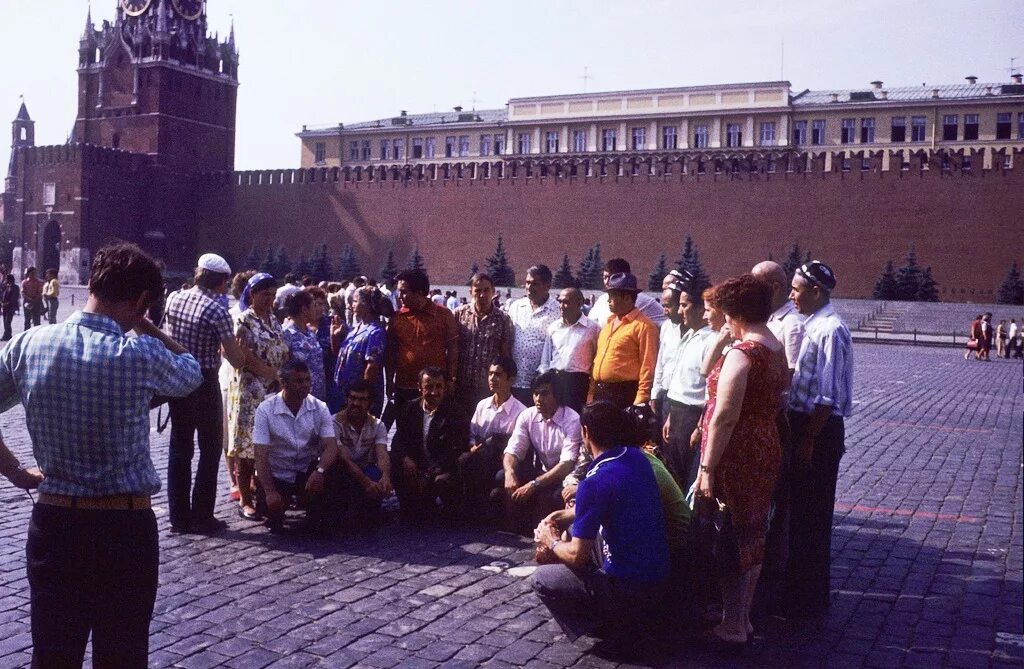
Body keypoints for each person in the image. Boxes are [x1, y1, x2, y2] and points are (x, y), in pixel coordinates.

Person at [0, 242, 202, 667]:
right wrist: (149, 327)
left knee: (53, 656)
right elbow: (192, 372)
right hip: (124, 527)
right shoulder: (139, 354)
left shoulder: (28, 344)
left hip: (55, 523)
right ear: (143, 302)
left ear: (91, 282)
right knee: (122, 655)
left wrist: (16, 471)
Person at [694, 274, 788, 644]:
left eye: (726, 314)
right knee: (755, 530)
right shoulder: (776, 347)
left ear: (737, 313)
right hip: (765, 443)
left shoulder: (743, 353)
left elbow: (725, 415)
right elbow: (781, 397)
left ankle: (731, 625)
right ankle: (743, 618)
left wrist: (707, 468)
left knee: (730, 529)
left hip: (737, 450)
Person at [532, 401, 671, 647]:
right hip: (659, 582)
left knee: (543, 578)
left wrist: (549, 540)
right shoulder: (638, 458)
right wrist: (572, 516)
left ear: (586, 432)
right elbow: (619, 502)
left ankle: (609, 627)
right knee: (576, 530)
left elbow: (577, 556)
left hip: (627, 591)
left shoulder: (593, 482)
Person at [786, 261, 854, 621]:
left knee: (812, 517)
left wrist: (808, 440)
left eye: (796, 290)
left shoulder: (831, 330)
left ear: (816, 291)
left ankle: (807, 602)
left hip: (817, 429)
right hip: (807, 425)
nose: (791, 295)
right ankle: (799, 594)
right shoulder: (815, 325)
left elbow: (829, 395)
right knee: (801, 515)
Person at [162, 253, 246, 534]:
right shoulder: (216, 310)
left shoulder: (175, 297)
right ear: (222, 282)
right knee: (210, 447)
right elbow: (235, 359)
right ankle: (202, 514)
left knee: (179, 446)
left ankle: (178, 516)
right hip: (204, 380)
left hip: (177, 379)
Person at [227, 272, 290, 521]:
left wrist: (281, 375)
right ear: (251, 295)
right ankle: (244, 498)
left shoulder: (274, 320)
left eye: (273, 295)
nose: (270, 300)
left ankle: (261, 488)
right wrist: (274, 374)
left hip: (273, 391)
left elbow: (282, 350)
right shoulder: (243, 321)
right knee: (247, 445)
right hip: (250, 392)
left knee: (267, 442)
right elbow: (243, 358)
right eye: (265, 295)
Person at [253, 360, 340, 534]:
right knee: (273, 517)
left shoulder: (319, 407)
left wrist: (320, 471)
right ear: (283, 383)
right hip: (278, 474)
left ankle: (314, 507)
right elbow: (260, 456)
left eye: (308, 380)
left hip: (306, 473)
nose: (306, 385)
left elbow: (331, 446)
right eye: (299, 381)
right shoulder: (265, 410)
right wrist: (270, 492)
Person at [502, 370, 582, 534]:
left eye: (544, 394)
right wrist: (509, 472)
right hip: (542, 473)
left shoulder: (572, 419)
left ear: (557, 395)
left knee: (556, 496)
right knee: (502, 476)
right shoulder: (527, 415)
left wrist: (534, 484)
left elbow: (566, 465)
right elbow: (513, 450)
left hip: (564, 477)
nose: (538, 399)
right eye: (536, 394)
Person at [389, 367, 471, 523]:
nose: (434, 392)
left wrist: (428, 475)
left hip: (441, 470)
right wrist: (406, 458)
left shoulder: (456, 412)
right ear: (419, 388)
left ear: (445, 388)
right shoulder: (409, 408)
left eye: (438, 387)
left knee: (444, 482)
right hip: (415, 468)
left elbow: (456, 450)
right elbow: (398, 440)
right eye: (428, 387)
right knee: (393, 461)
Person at [385, 269, 459, 427]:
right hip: (404, 387)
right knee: (405, 431)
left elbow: (453, 349)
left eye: (404, 292)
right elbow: (391, 352)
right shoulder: (397, 318)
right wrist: (389, 380)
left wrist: (452, 378)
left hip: (434, 389)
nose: (399, 296)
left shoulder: (444, 315)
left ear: (419, 292)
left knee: (434, 430)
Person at [660, 280, 715, 494]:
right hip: (676, 413)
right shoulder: (690, 335)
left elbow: (710, 390)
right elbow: (681, 382)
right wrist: (671, 416)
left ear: (702, 308)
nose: (680, 310)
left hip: (693, 417)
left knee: (687, 480)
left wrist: (699, 426)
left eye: (685, 305)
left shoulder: (710, 341)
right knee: (672, 475)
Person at [459, 356, 527, 520]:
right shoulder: (482, 405)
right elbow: (472, 433)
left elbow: (520, 449)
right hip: (482, 456)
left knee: (499, 478)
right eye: (490, 374)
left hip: (505, 460)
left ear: (510, 379)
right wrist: (471, 446)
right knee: (464, 461)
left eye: (498, 374)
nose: (492, 379)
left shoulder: (521, 412)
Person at [590, 272, 659, 409]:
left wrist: (640, 400)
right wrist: (591, 395)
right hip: (600, 393)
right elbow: (596, 362)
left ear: (627, 298)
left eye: (612, 297)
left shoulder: (644, 327)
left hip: (624, 395)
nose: (608, 301)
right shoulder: (608, 325)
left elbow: (648, 366)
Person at [333, 380, 393, 529]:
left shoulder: (378, 425)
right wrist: (366, 482)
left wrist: (386, 476)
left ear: (370, 404)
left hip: (366, 470)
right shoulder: (334, 422)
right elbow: (344, 459)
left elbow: (382, 454)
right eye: (352, 398)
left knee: (377, 473)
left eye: (362, 399)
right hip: (344, 470)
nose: (356, 403)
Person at [453, 273, 514, 415]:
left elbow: (505, 356)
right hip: (461, 386)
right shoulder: (458, 315)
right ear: (470, 292)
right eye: (477, 290)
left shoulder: (503, 319)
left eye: (486, 290)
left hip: (488, 389)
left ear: (493, 291)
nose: (482, 295)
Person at [538, 287, 600, 413]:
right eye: (560, 301)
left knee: (575, 422)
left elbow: (596, 360)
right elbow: (545, 360)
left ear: (579, 303)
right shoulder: (554, 328)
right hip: (555, 382)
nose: (561, 306)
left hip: (578, 385)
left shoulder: (593, 329)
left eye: (566, 302)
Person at [507, 264, 560, 406]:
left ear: (547, 286)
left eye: (535, 284)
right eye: (527, 282)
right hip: (513, 381)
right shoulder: (516, 306)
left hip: (539, 386)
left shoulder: (557, 310)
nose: (529, 287)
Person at [334, 286, 390, 417]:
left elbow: (372, 368)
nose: (351, 304)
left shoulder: (375, 332)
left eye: (355, 301)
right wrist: (334, 336)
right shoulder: (355, 329)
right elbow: (341, 356)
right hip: (345, 396)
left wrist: (362, 397)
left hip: (359, 400)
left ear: (366, 305)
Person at [752, 261, 804, 373]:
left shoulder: (792, 323)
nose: (752, 293)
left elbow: (794, 373)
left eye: (756, 287)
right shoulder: (768, 317)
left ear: (775, 288)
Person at [586, 258, 667, 327]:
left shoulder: (645, 302)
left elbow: (666, 324)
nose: (607, 282)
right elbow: (590, 325)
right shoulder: (602, 300)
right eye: (604, 277)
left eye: (610, 277)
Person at [281, 290, 326, 402]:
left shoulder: (310, 333)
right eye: (313, 306)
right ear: (304, 309)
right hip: (298, 398)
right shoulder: (287, 334)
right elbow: (283, 367)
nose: (316, 310)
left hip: (317, 397)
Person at [652, 283, 684, 427]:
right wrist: (655, 394)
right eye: (663, 306)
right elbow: (661, 362)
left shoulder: (693, 331)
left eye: (669, 306)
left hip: (682, 400)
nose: (665, 311)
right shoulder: (666, 327)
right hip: (665, 396)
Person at [21, 266, 43, 331]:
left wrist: (35, 299)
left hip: (36, 302)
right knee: (27, 319)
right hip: (27, 302)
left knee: (37, 319)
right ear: (28, 273)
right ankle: (26, 332)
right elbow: (23, 292)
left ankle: (37, 333)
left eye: (35, 273)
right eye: (32, 273)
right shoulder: (24, 282)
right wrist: (29, 299)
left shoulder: (38, 282)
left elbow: (40, 292)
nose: (34, 274)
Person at [0, 274, 18, 340]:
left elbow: (14, 297)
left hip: (11, 307)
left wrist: (7, 303)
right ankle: (7, 335)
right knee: (5, 321)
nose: (6, 280)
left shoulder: (15, 287)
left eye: (7, 279)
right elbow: (2, 295)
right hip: (4, 306)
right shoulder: (5, 286)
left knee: (8, 321)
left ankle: (7, 334)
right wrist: (1, 302)